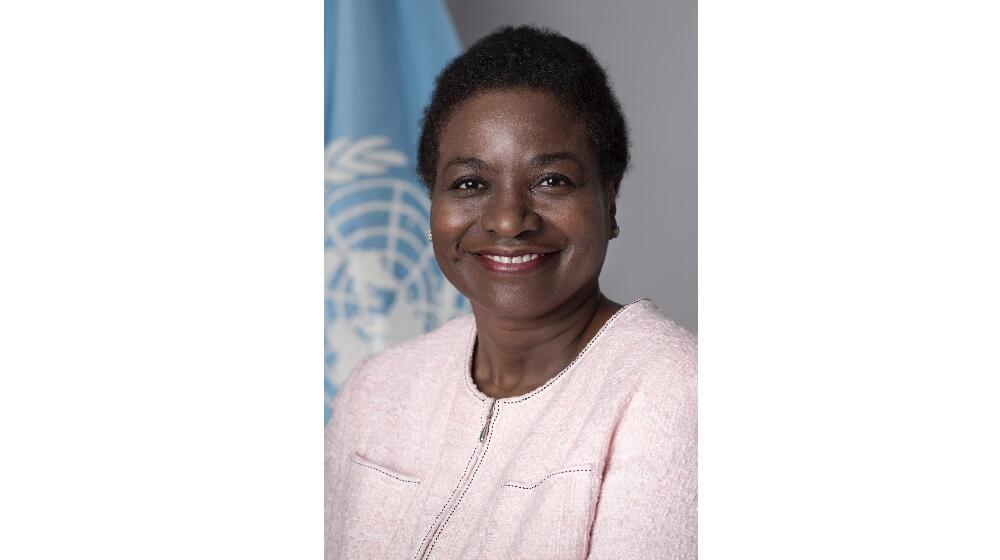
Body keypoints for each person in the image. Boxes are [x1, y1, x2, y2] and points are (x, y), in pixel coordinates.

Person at [325, 25, 696, 559]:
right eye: (470, 184)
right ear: (432, 206)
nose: (507, 220)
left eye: (552, 181)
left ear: (609, 202)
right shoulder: (375, 392)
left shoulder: (672, 393)